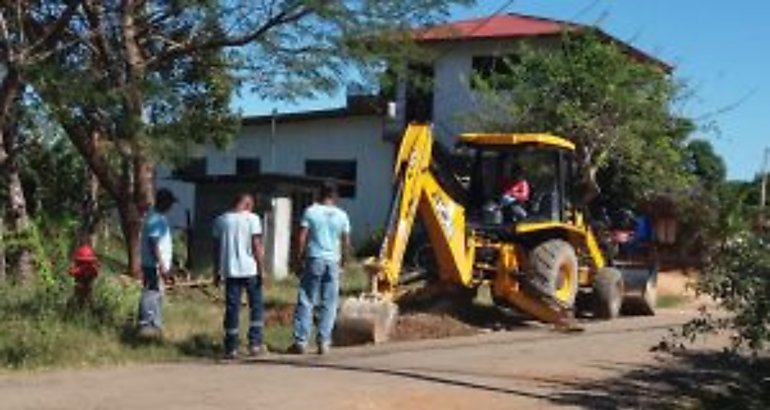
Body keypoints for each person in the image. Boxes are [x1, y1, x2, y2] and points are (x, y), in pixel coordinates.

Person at [290, 181, 351, 355]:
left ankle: (301, 341)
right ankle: (323, 342)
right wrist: (344, 262)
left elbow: (301, 237)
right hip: (333, 261)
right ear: (335, 196)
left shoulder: (311, 211)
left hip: (314, 257)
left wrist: (298, 259)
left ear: (320, 194)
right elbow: (346, 241)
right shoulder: (342, 215)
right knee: (329, 303)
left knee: (307, 299)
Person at [212, 193, 267, 359]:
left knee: (232, 308)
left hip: (230, 270)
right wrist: (261, 269)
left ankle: (231, 347)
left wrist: (216, 271)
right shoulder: (252, 219)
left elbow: (216, 249)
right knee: (256, 306)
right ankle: (255, 344)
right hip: (250, 269)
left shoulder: (221, 220)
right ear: (248, 204)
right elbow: (256, 245)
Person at [138, 188, 176, 337]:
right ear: (164, 202)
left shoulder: (157, 217)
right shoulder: (156, 219)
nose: (171, 206)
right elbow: (153, 243)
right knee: (151, 294)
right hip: (153, 265)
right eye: (170, 203)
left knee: (156, 294)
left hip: (154, 264)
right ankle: (148, 326)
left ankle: (155, 325)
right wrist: (161, 265)